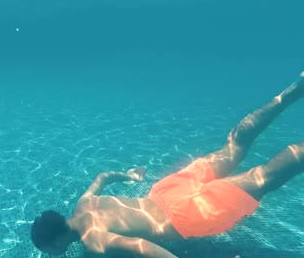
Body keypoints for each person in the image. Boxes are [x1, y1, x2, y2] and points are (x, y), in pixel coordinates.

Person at [31, 71, 304, 257]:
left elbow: (143, 247)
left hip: (185, 215)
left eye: (49, 252)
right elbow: (102, 176)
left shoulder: (93, 241)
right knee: (233, 146)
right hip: (166, 191)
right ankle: (289, 94)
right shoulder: (84, 203)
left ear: (56, 241)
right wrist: (129, 176)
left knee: (265, 176)